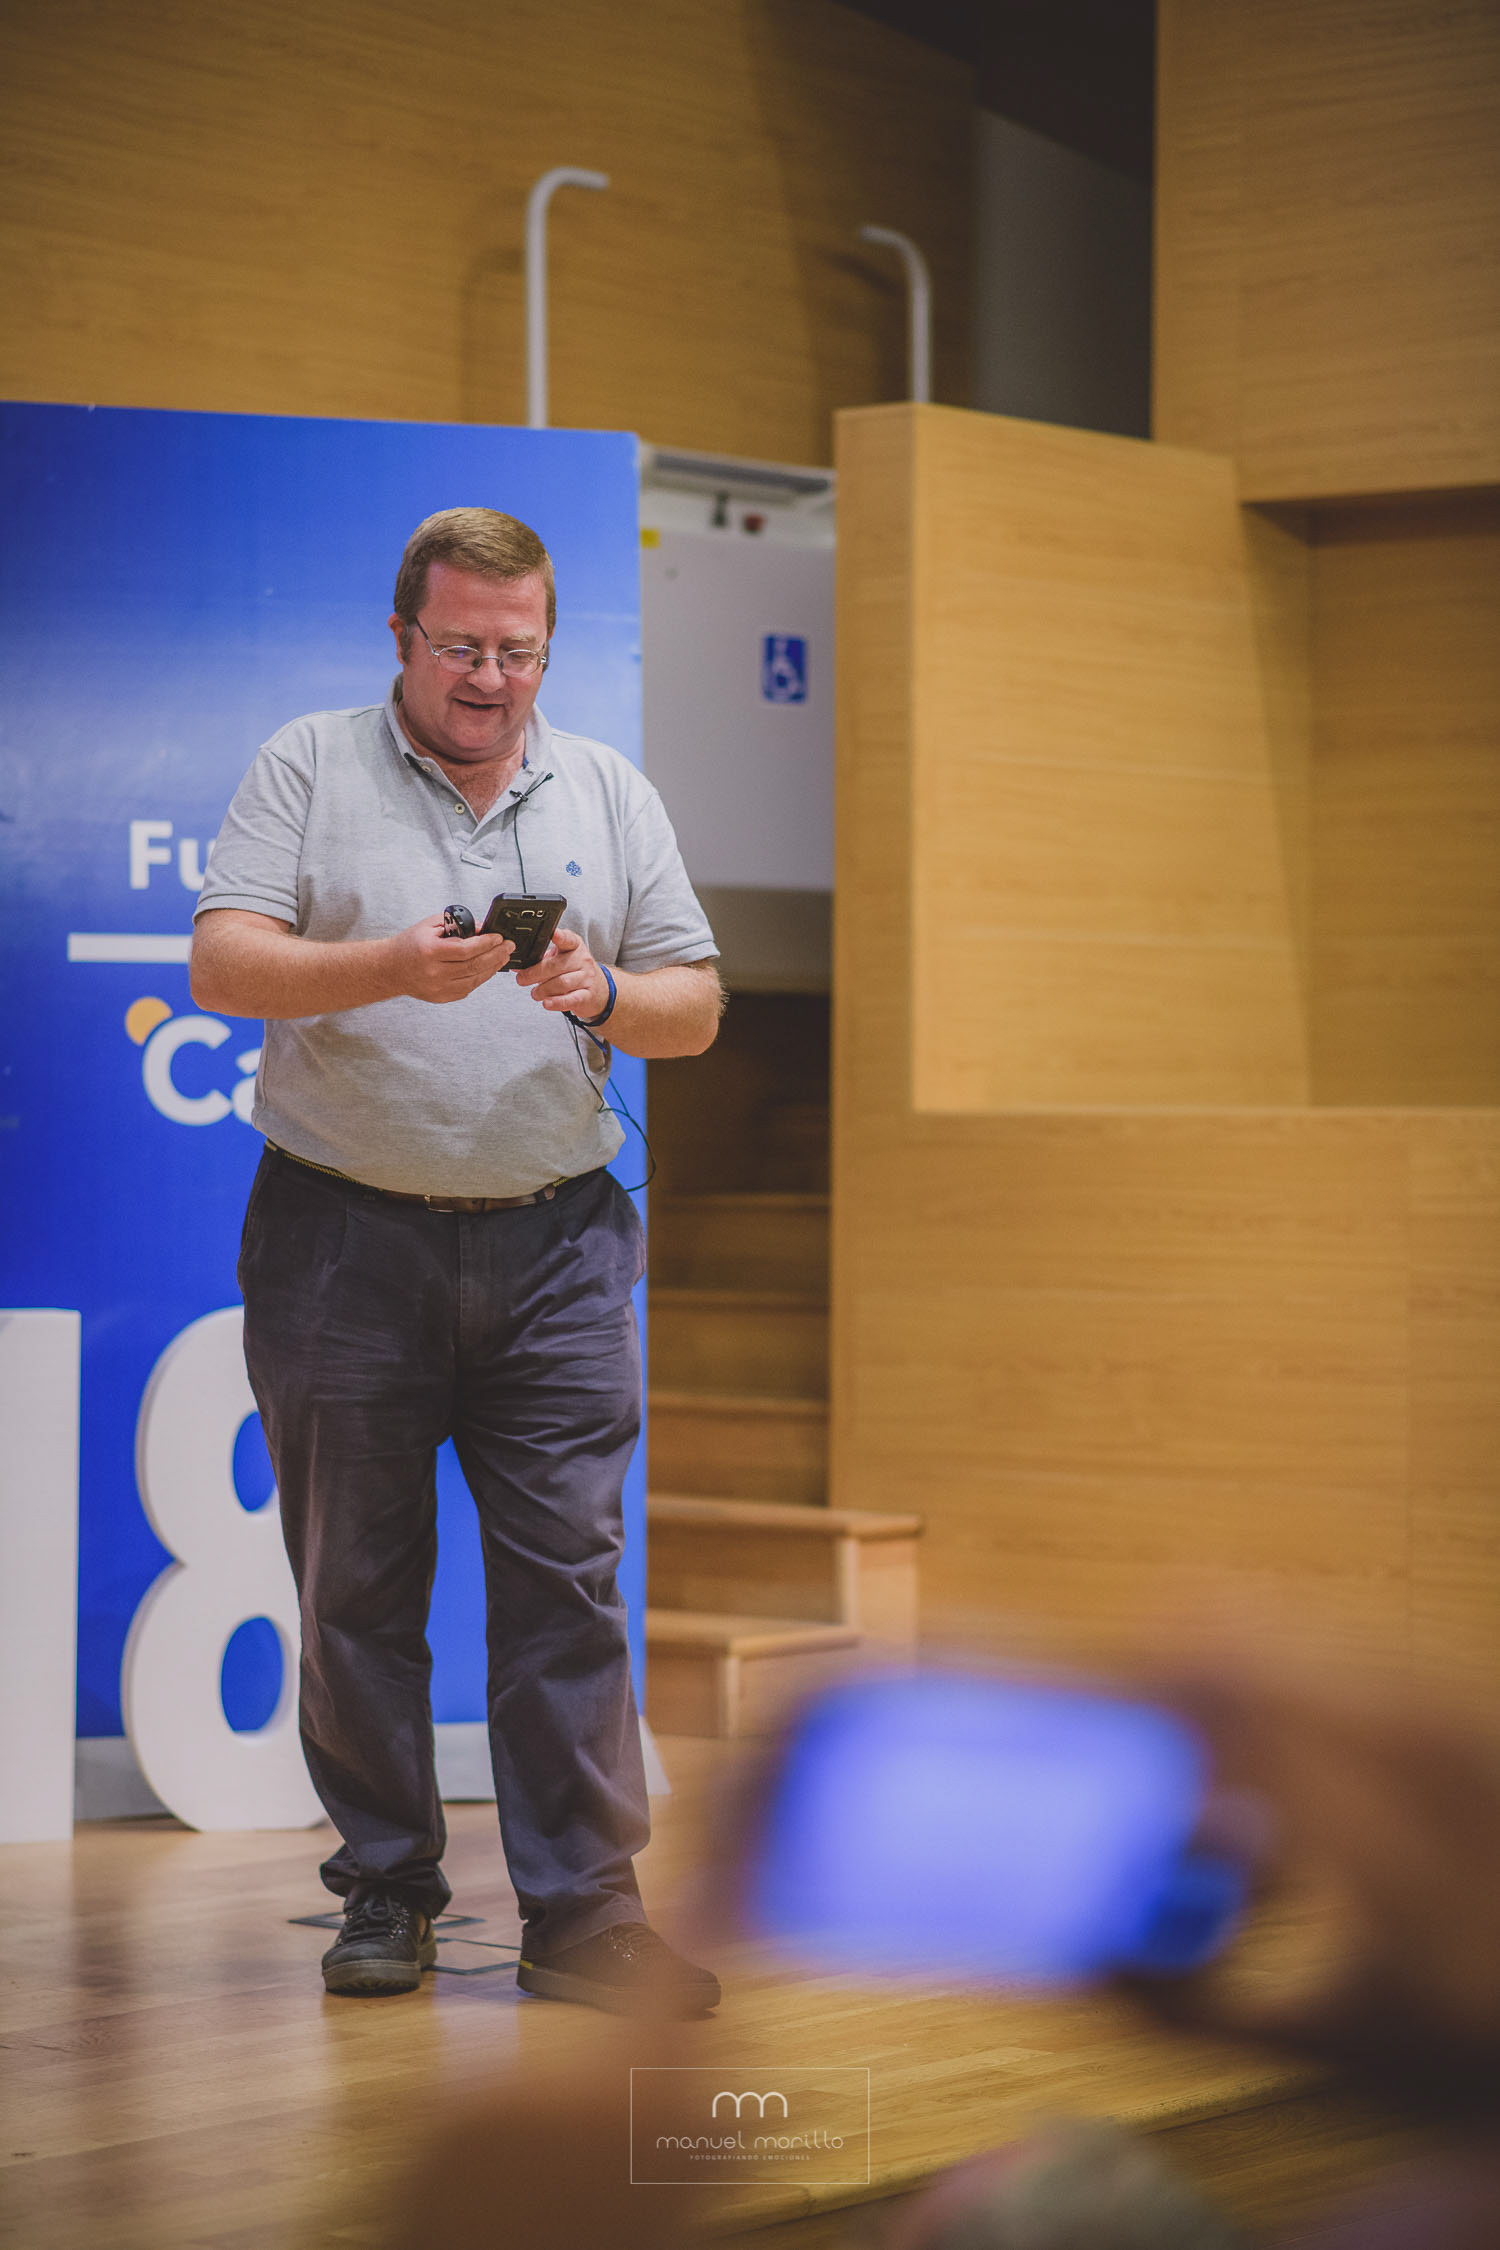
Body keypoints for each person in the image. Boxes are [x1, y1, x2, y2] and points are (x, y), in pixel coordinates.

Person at [190, 505, 723, 2017]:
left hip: (561, 1246)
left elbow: (694, 1003)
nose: (492, 677)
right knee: (354, 1583)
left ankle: (585, 1916)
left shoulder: (607, 787)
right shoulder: (309, 762)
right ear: (402, 635)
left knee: (569, 1587)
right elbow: (221, 961)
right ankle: (385, 1890)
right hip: (342, 1238)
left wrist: (604, 990)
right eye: (462, 647)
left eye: (520, 650)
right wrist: (390, 968)